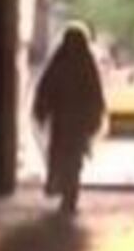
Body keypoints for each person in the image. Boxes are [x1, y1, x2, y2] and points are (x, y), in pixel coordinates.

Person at [32, 24, 106, 214]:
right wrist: (94, 119)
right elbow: (95, 95)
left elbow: (45, 89)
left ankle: (66, 193)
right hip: (74, 123)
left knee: (64, 158)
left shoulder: (59, 63)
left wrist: (41, 111)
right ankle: (68, 194)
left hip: (65, 122)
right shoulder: (86, 66)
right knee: (72, 160)